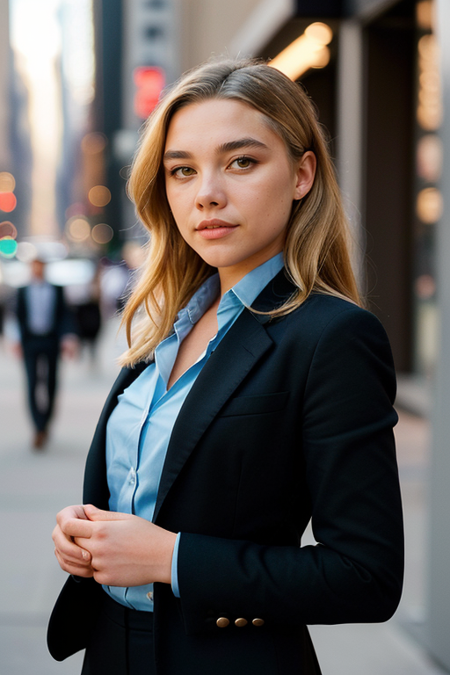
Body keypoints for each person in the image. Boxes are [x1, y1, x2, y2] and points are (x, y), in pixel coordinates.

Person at [48, 58, 404, 675]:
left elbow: (366, 575)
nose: (206, 192)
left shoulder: (333, 337)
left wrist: (171, 559)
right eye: (182, 170)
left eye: (241, 162)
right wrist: (86, 534)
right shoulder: (162, 327)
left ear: (301, 174)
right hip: (111, 651)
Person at [11, 257, 78, 448]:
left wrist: (68, 338)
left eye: (41, 266)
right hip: (30, 342)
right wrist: (15, 340)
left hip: (51, 341)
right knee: (32, 382)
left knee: (51, 383)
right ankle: (38, 427)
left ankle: (46, 423)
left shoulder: (57, 290)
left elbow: (65, 315)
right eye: (34, 266)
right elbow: (16, 317)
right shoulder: (22, 291)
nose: (37, 270)